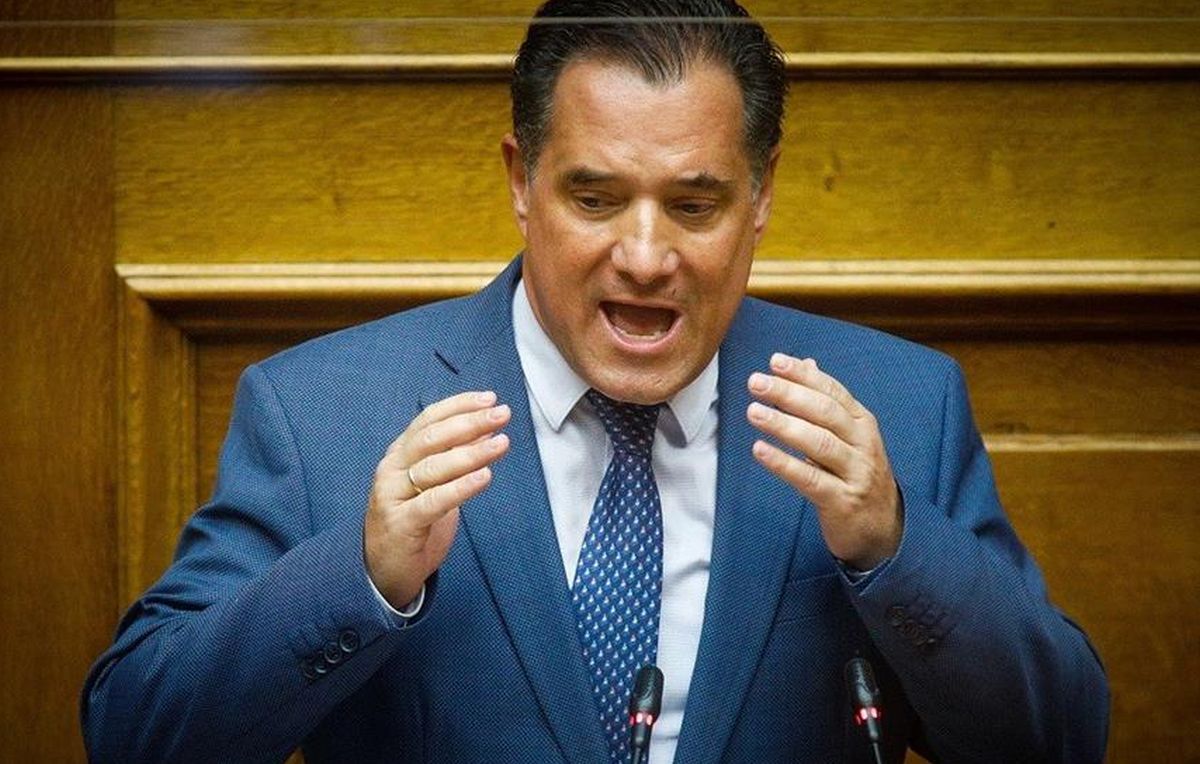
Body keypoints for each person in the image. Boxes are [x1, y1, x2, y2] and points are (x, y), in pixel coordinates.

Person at [81, 1, 1109, 762]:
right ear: (521, 181)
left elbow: (1060, 737)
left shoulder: (901, 405)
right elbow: (134, 731)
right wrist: (362, 575)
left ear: (760, 195)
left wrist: (894, 545)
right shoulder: (323, 413)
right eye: (595, 198)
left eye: (694, 206)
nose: (646, 257)